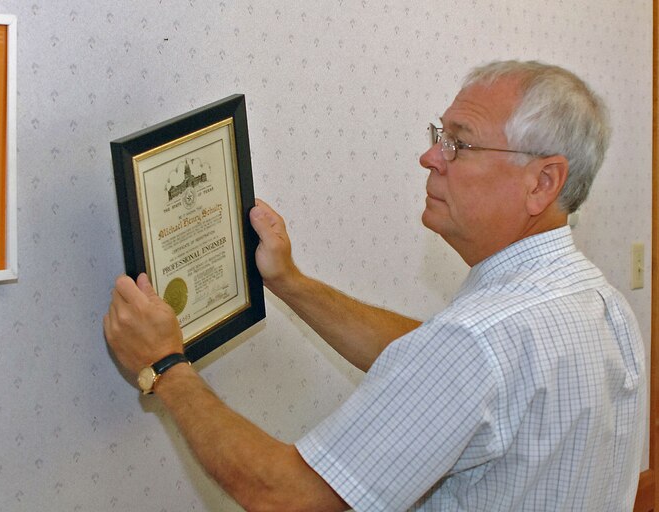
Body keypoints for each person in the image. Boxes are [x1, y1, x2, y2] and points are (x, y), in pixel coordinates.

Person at [103, 60, 647, 511]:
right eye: (440, 135)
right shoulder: (599, 301)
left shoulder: (480, 340)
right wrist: (290, 283)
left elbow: (286, 496)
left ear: (542, 182)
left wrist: (167, 368)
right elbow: (435, 364)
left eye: (460, 144)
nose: (430, 157)